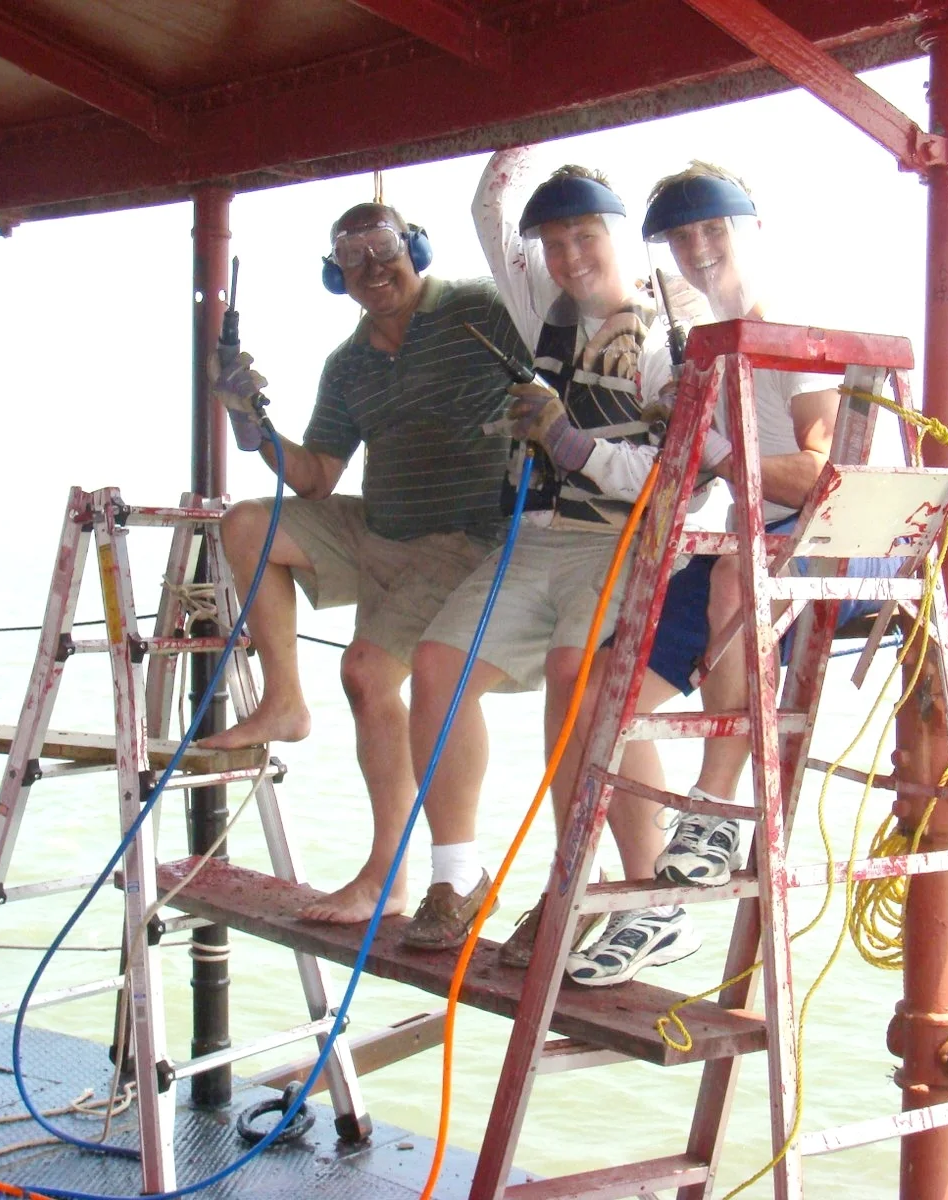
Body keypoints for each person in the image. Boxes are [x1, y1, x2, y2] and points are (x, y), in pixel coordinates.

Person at [556, 161, 887, 928]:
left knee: (738, 564)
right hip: (758, 539)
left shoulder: (792, 323)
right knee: (603, 685)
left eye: (712, 228)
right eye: (680, 236)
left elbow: (822, 477)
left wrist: (711, 448)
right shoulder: (705, 345)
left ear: (752, 231)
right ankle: (650, 905)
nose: (696, 246)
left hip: (853, 537)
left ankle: (713, 803)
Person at [399, 147, 686, 985]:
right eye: (554, 243)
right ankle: (457, 877)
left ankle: (576, 890)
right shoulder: (543, 312)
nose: (567, 258)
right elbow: (493, 214)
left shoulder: (667, 342)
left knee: (574, 675)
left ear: (621, 237)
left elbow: (675, 472)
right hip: (536, 540)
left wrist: (570, 443)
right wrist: (527, 137)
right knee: (436, 665)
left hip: (618, 542)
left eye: (584, 236)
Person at [200, 201, 526, 924]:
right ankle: (283, 699)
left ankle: (391, 879)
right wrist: (252, 426)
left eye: (383, 246)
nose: (373, 267)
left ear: (416, 246)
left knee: (367, 673)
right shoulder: (347, 365)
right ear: (334, 275)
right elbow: (315, 477)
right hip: (380, 531)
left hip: (464, 538)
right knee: (249, 523)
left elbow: (555, 350)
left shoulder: (481, 309)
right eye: (352, 257)